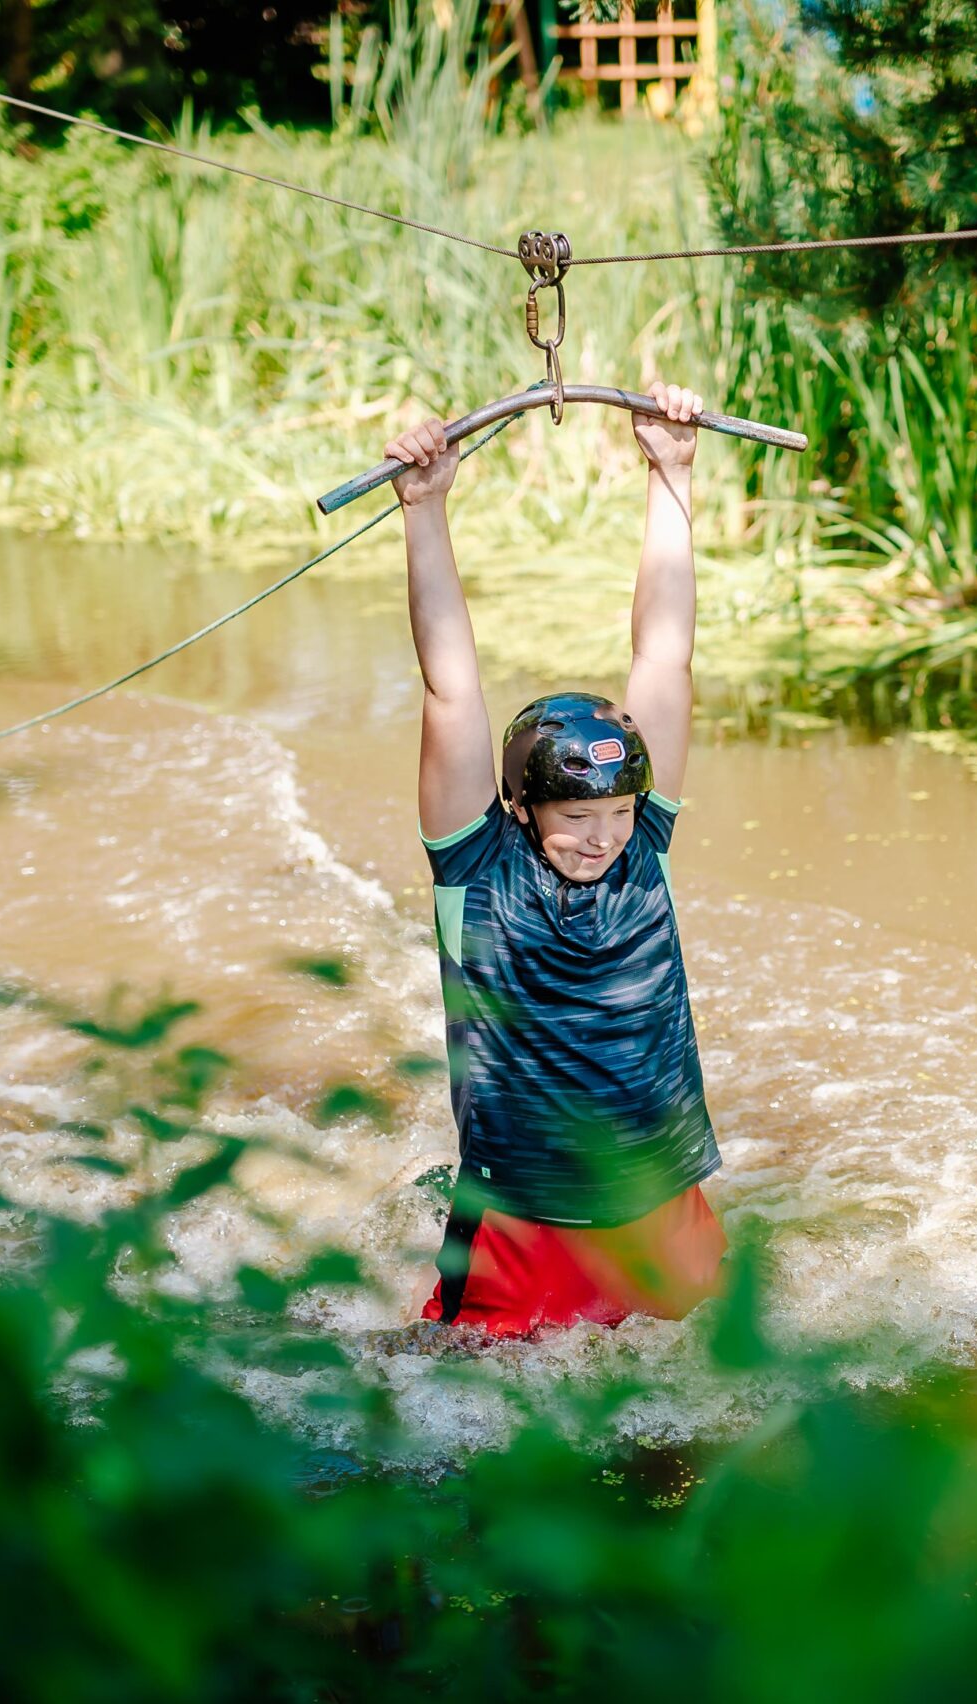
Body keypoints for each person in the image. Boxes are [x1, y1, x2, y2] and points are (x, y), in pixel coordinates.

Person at [385, 379, 729, 1338]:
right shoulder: (475, 868)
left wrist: (672, 472)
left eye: (616, 812)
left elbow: (664, 658)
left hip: (657, 1194)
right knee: (468, 1399)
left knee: (705, 1390)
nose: (601, 836)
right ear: (521, 807)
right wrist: (425, 508)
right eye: (575, 816)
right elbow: (450, 688)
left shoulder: (643, 847)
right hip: (519, 1218)